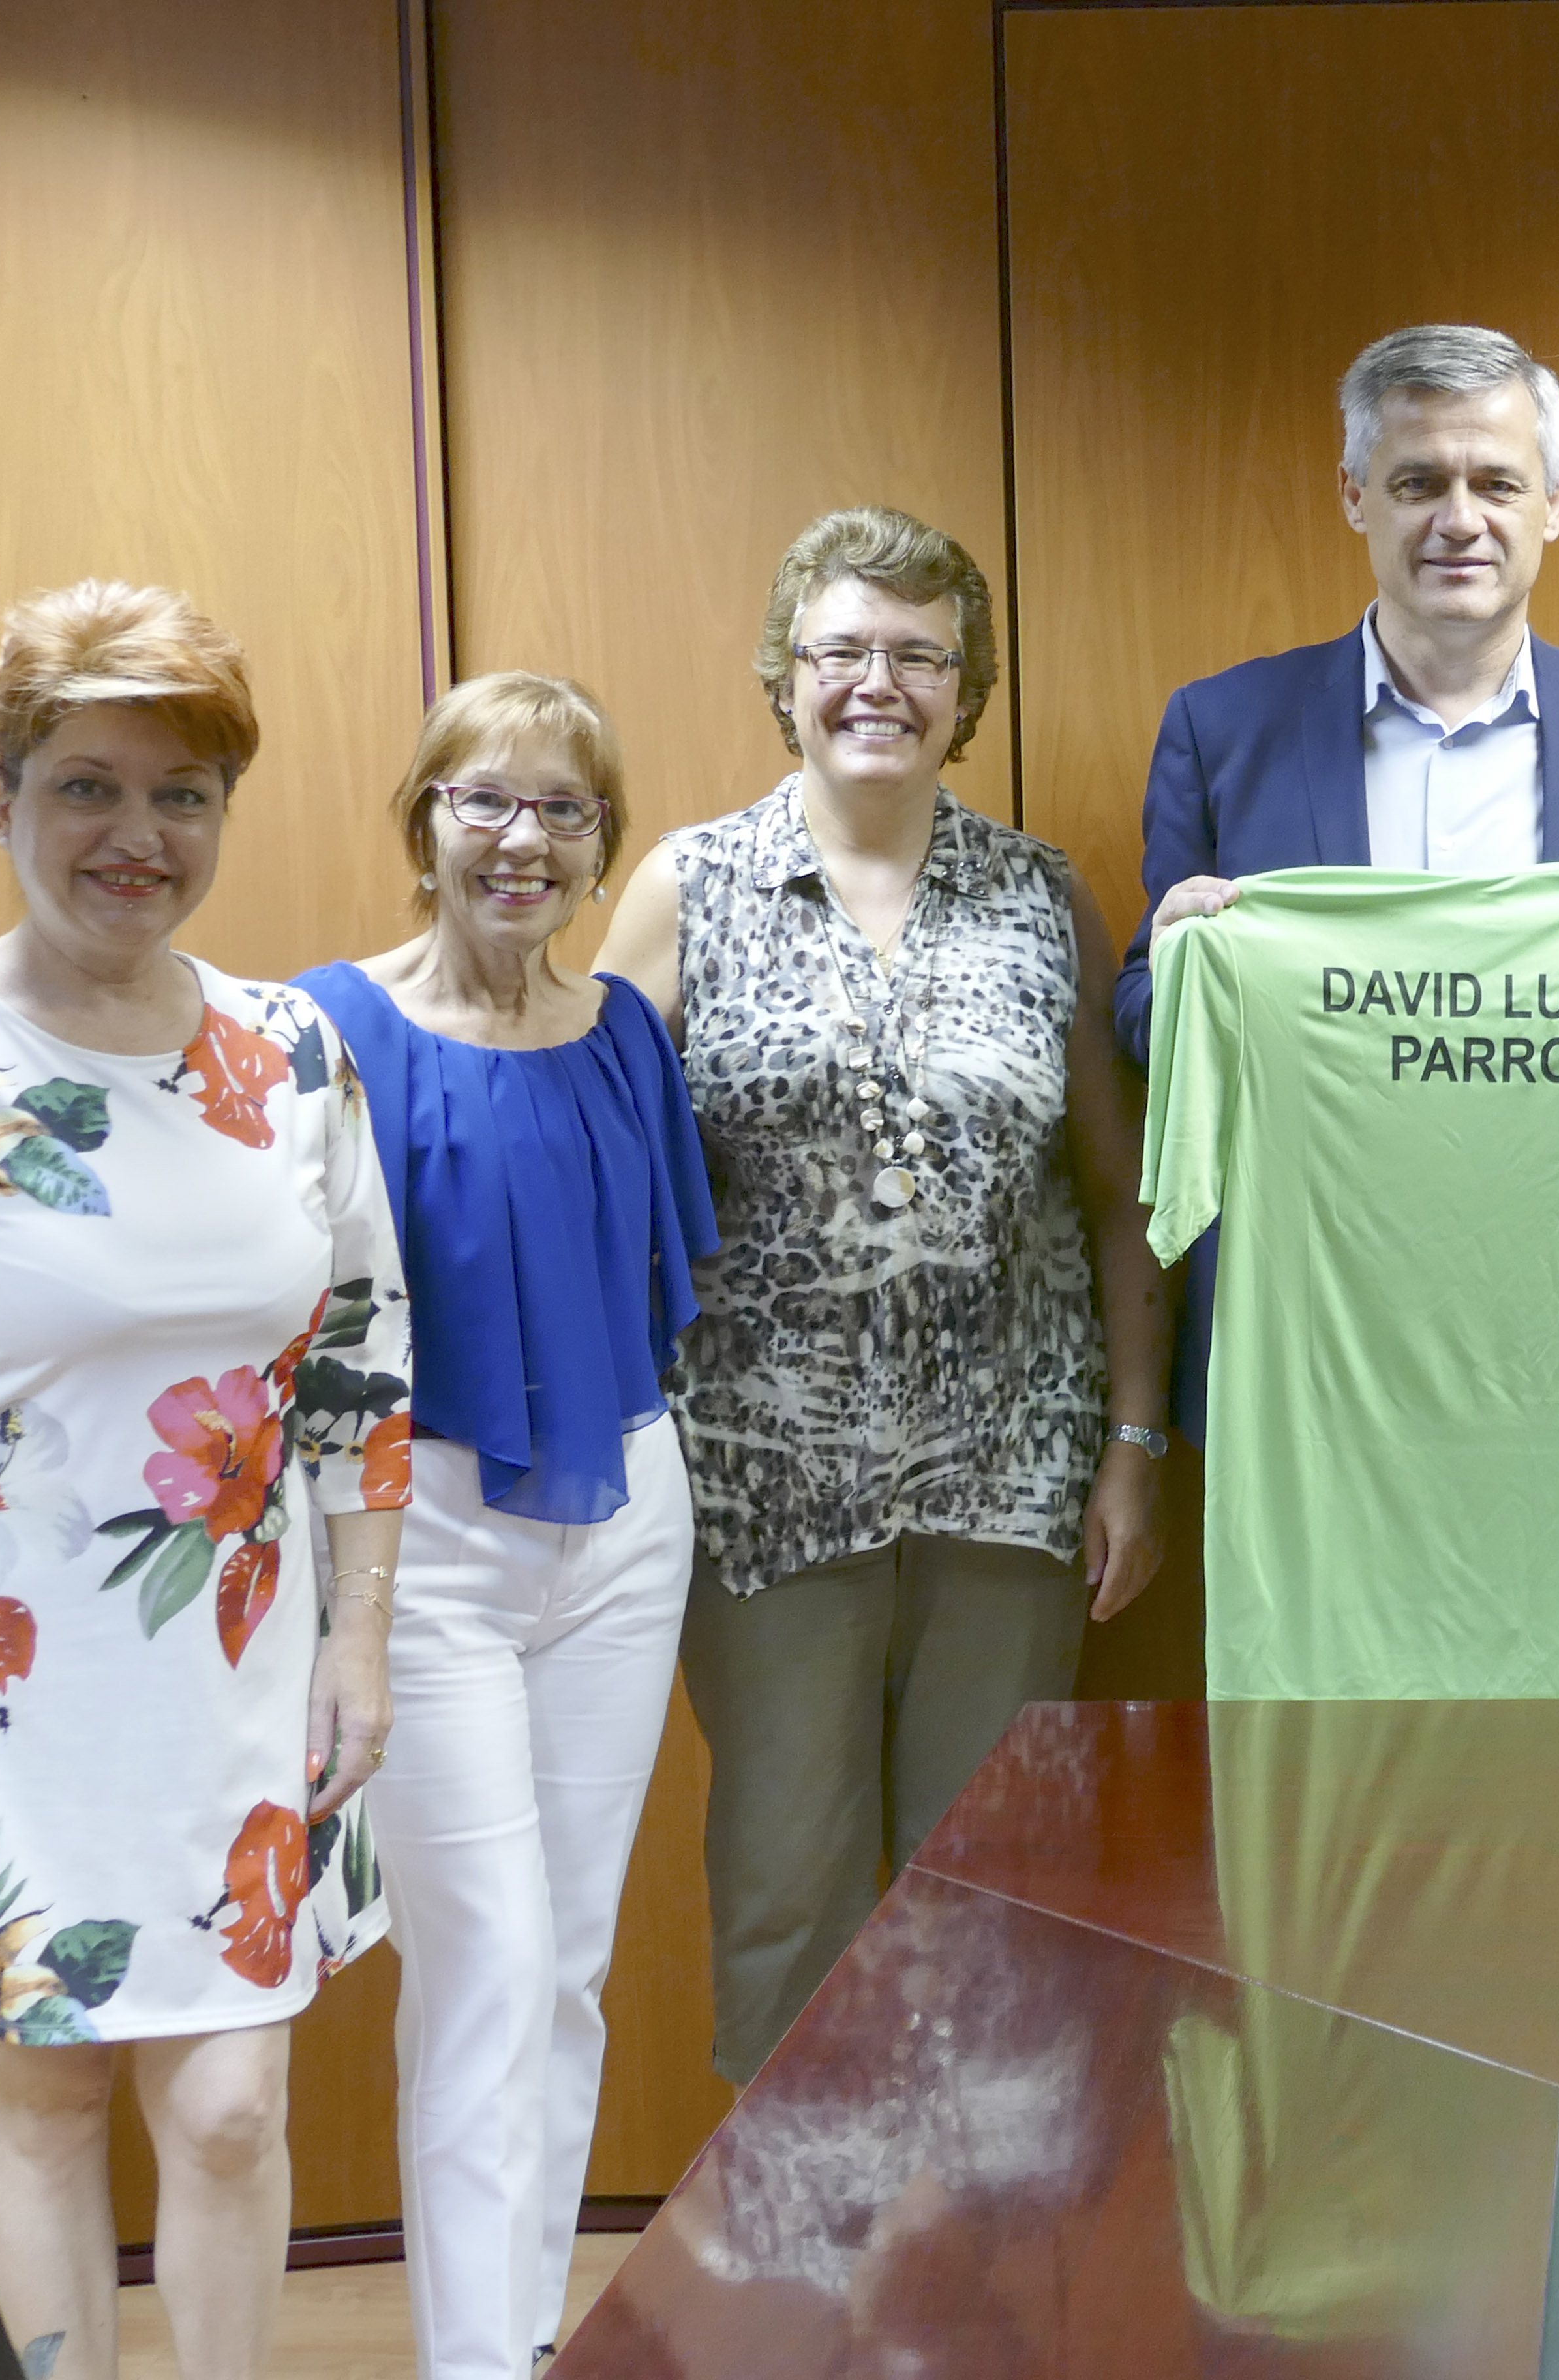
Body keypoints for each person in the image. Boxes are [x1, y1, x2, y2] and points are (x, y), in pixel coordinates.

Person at [0, 583, 412, 2380]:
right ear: (2, 796)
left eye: (182, 794)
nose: (135, 835)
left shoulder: (291, 1051)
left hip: (238, 1659)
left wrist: (362, 1640)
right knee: (45, 2093)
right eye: (87, 785)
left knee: (231, 2106)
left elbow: (361, 1366)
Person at [594, 506, 1168, 2085]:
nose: (877, 684)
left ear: (965, 693)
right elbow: (594, 1160)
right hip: (761, 1483)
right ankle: (797, 2227)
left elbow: (1117, 1198)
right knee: (787, 1888)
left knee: (993, 1889)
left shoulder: (1038, 896)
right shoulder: (691, 886)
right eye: (842, 649)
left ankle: (977, 2221)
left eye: (919, 656)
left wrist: (1133, 1445)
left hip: (1010, 1478)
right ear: (785, 675)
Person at [299, 673, 714, 2380]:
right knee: (486, 1965)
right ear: (427, 824)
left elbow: (657, 1283)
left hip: (626, 1520)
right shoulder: (329, 1030)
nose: (522, 838)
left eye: (564, 807)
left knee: (571, 1969)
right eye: (485, 799)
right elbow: (303, 1327)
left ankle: (524, 2342)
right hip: (426, 1547)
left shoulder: (625, 1034)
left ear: (604, 843)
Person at [1110, 324, 1559, 1430]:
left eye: (1496, 482)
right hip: (1309, 1332)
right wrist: (1178, 973)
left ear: (1554, 503)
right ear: (1356, 497)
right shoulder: (1224, 729)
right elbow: (1141, 1021)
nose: (1460, 519)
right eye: (1419, 483)